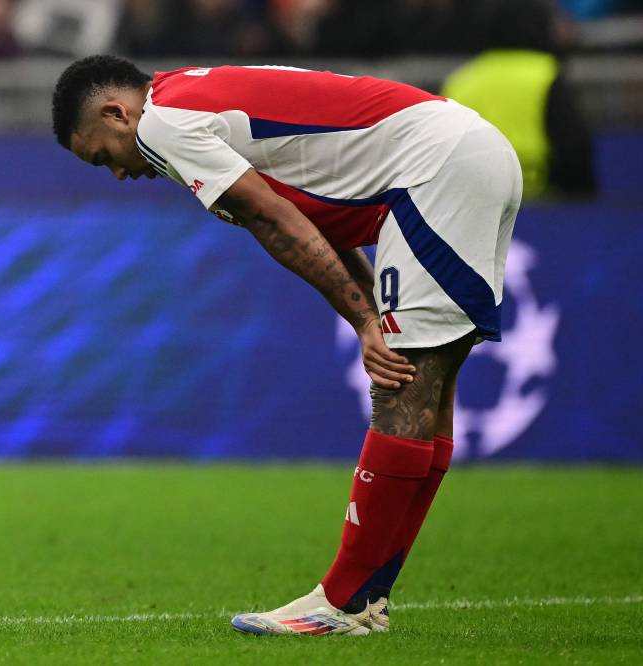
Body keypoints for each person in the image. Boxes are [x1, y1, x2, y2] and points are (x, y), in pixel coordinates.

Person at [51, 56, 522, 636]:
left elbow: (272, 219)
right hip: (464, 154)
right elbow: (299, 215)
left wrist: (366, 319)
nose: (118, 173)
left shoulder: (161, 124)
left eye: (103, 156)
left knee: (402, 386)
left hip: (437, 171)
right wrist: (368, 313)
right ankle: (367, 595)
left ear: (116, 113)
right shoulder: (189, 97)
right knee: (429, 386)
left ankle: (344, 602)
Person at [442, 0, 596, 198]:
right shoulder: (546, 72)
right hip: (543, 203)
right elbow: (574, 150)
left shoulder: (460, 80)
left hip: (474, 201)